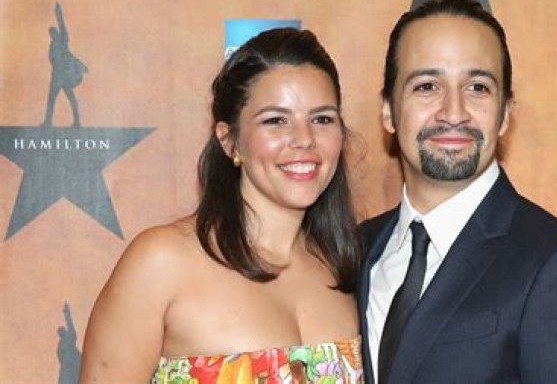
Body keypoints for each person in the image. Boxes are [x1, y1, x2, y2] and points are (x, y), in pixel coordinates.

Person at [358, 0, 557, 383]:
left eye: (477, 87)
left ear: (505, 114)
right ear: (388, 110)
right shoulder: (356, 251)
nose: (453, 112)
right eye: (427, 86)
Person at [80, 28, 363, 383]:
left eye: (322, 119)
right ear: (229, 142)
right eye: (275, 120)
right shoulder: (161, 262)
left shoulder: (348, 265)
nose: (304, 139)